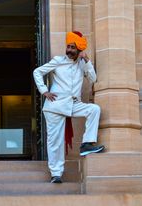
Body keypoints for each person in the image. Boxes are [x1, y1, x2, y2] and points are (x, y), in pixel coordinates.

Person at [33, 31, 105, 183]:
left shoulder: (81, 63)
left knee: (94, 109)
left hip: (73, 104)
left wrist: (88, 61)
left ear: (79, 50)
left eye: (73, 48)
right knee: (55, 142)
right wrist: (44, 91)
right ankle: (56, 174)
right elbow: (37, 72)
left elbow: (93, 79)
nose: (70, 50)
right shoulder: (58, 60)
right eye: (68, 47)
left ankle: (86, 144)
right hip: (54, 106)